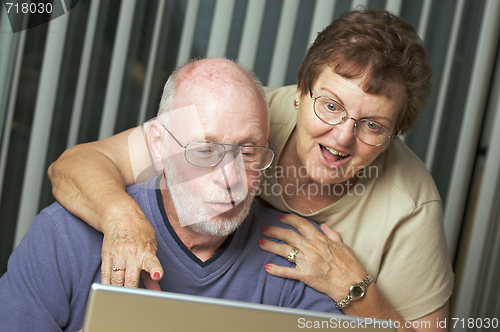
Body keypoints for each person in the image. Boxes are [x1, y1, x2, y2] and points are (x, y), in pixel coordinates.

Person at [48, 8, 453, 331]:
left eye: (372, 126)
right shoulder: (244, 114)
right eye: (330, 105)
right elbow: (76, 166)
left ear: (395, 133)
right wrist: (123, 219)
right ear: (300, 90)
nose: (343, 136)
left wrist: (354, 291)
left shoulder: (412, 205)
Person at [0, 58, 342, 332]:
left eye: (249, 151)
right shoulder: (64, 238)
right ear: (158, 146)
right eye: (206, 151)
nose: (230, 179)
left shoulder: (297, 256)